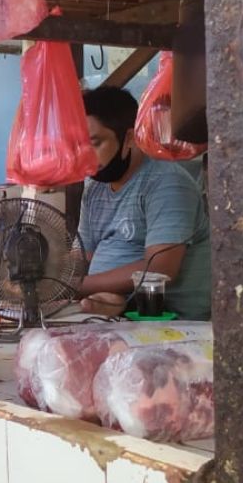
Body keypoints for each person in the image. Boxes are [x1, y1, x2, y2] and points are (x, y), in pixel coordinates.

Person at [76, 86, 212, 320]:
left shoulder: (166, 182)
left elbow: (160, 269)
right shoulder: (94, 187)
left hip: (167, 320)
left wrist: (76, 286)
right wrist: (47, 280)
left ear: (129, 138)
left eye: (95, 144)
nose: (86, 157)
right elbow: (82, 255)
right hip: (111, 311)